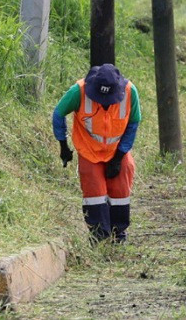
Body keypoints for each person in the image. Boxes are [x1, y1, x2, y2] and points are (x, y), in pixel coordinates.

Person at [53, 63, 141, 243]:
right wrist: (63, 145)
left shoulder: (131, 92)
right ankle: (99, 236)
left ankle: (119, 234)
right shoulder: (79, 91)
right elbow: (58, 113)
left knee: (121, 186)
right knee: (95, 192)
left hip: (117, 150)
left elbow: (133, 124)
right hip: (89, 151)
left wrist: (118, 157)